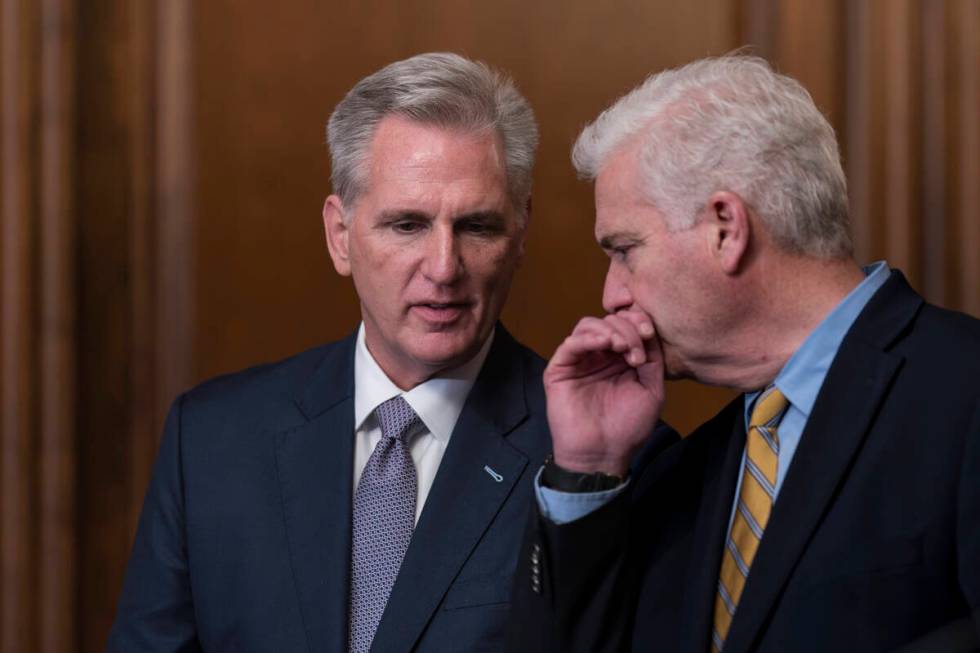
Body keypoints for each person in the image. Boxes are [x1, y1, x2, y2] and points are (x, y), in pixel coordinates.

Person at [508, 55, 980, 653]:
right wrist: (587, 469)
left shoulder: (964, 393)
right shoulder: (683, 469)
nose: (611, 295)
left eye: (624, 249)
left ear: (726, 228)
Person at [107, 52, 550, 652]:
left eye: (477, 227)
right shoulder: (212, 440)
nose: (445, 268)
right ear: (340, 236)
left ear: (519, 235)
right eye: (407, 225)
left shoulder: (591, 456)